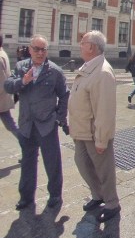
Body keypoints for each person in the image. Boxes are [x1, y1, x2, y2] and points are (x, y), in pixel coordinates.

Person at [3, 34, 68, 210]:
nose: (40, 53)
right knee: (27, 162)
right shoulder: (21, 67)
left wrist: (59, 118)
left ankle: (55, 195)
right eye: (36, 49)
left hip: (46, 125)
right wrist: (22, 81)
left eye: (43, 50)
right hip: (27, 124)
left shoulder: (54, 71)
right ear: (30, 50)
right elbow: (8, 86)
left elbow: (64, 95)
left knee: (52, 162)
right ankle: (26, 197)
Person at [68, 31, 120, 223]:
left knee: (104, 170)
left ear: (91, 47)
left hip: (94, 133)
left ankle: (112, 203)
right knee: (83, 164)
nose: (80, 45)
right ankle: (98, 195)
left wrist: (101, 139)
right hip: (81, 131)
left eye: (83, 42)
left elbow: (104, 110)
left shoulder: (103, 72)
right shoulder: (88, 66)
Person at [0, 35, 19, 139]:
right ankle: (27, 143)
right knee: (11, 125)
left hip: (2, 98)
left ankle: (27, 144)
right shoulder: (3, 53)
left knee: (11, 125)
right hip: (4, 98)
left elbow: (2, 80)